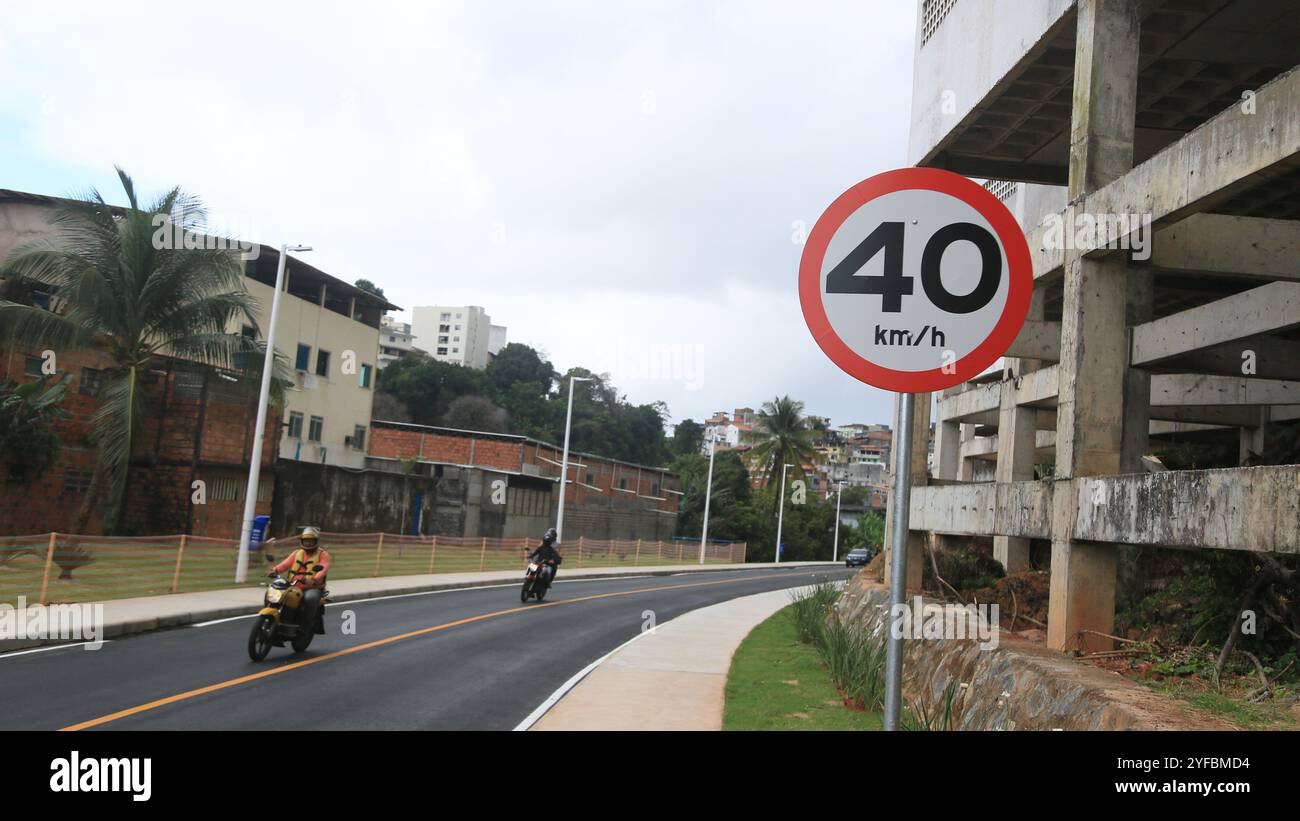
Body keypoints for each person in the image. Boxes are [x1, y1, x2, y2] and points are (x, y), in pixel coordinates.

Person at [269, 526, 331, 634]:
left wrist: (315, 579)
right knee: (273, 591)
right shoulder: (297, 553)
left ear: (316, 541)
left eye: (311, 541)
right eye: (306, 541)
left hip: (312, 587)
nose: (308, 544)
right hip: (293, 585)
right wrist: (275, 570)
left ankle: (305, 627)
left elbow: (324, 568)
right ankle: (274, 617)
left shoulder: (323, 554)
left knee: (310, 599)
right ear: (302, 541)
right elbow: (285, 564)